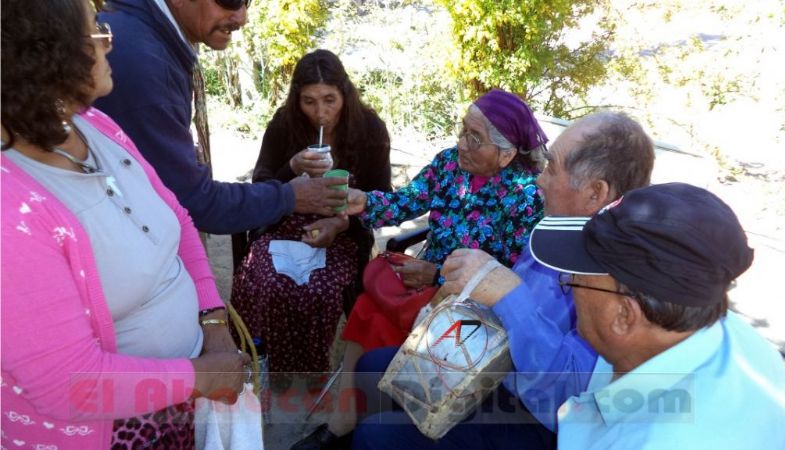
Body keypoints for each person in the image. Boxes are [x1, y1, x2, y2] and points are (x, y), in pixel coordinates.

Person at [1, 1, 249, 448]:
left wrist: (212, 324)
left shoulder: (96, 125)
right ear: (45, 53)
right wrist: (202, 376)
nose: (108, 42)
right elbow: (70, 383)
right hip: (118, 430)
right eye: (96, 30)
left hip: (183, 393)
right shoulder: (10, 209)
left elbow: (177, 217)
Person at [350, 111, 656, 449]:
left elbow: (564, 397)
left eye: (553, 168)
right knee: (371, 369)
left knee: (376, 436)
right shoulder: (557, 226)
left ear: (595, 193)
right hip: (496, 368)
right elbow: (502, 299)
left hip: (536, 416)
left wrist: (505, 294)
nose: (541, 179)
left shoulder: (615, 275)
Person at [293, 88, 548, 449]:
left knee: (379, 317)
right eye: (463, 130)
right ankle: (349, 422)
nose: (461, 143)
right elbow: (405, 203)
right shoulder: (448, 165)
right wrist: (362, 201)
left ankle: (372, 426)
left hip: (472, 305)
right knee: (369, 307)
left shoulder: (525, 197)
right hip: (427, 286)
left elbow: (511, 275)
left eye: (474, 139)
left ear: (506, 154)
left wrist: (437, 275)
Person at [531, 182, 785, 449]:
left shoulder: (655, 441)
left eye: (572, 280)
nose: (571, 283)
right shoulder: (742, 339)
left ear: (624, 316)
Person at [92, 0, 346, 235]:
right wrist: (289, 196)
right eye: (230, 0)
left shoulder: (141, 32)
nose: (242, 17)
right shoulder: (144, 64)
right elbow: (192, 201)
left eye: (246, 2)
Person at [230, 49, 392, 376]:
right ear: (296, 99)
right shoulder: (284, 125)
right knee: (263, 278)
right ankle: (263, 359)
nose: (320, 112)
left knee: (318, 288)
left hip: (342, 232)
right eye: (309, 101)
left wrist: (339, 222)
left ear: (345, 94)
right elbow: (261, 186)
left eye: (329, 100)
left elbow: (382, 199)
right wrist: (290, 167)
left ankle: (308, 367)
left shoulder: (369, 129)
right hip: (281, 225)